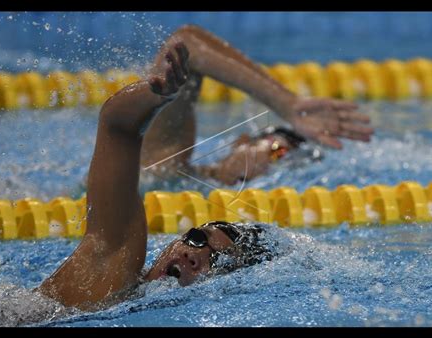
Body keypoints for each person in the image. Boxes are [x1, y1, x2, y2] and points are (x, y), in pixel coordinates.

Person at [37, 25, 374, 311]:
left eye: (217, 261)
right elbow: (183, 44)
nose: (194, 254)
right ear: (243, 141)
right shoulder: (163, 168)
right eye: (273, 149)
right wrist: (288, 104)